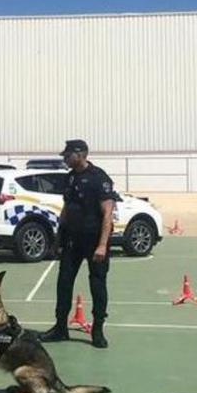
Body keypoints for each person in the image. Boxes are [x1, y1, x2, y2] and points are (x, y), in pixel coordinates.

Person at [42, 140, 118, 349]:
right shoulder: (70, 177)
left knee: (97, 285)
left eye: (68, 155)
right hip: (72, 240)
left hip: (94, 241)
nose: (65, 158)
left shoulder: (99, 178)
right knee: (64, 283)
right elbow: (67, 208)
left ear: (81, 154)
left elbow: (107, 214)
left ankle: (98, 329)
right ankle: (60, 328)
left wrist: (102, 245)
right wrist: (57, 239)